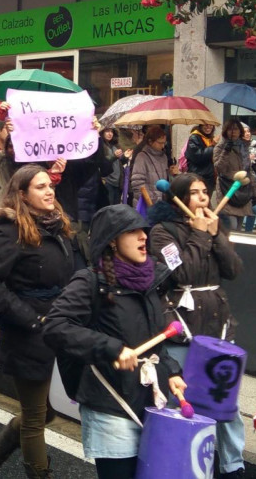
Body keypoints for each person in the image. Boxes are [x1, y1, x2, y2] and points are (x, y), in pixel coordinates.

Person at [43, 204, 186, 479]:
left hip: (147, 401)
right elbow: (55, 326)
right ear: (112, 239)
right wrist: (111, 348)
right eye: (133, 232)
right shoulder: (89, 282)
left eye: (143, 230)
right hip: (109, 401)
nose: (143, 237)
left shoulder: (150, 280)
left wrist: (172, 371)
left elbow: (154, 339)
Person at [0, 165, 82, 479]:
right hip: (28, 333)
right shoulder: (10, 230)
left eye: (50, 185)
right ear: (22, 194)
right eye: (40, 187)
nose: (49, 191)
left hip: (59, 329)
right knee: (36, 418)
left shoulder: (58, 225)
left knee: (46, 412)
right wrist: (31, 318)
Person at [149, 172, 245, 478]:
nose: (202, 197)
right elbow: (180, 274)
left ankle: (233, 467)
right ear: (178, 198)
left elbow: (233, 269)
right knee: (184, 400)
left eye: (205, 191)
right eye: (194, 192)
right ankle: (183, 465)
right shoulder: (162, 232)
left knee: (225, 403)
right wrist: (201, 235)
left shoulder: (214, 225)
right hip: (182, 325)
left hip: (216, 325)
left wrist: (217, 236)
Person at [212, 118, 256, 232]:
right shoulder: (220, 147)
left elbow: (248, 170)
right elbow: (219, 167)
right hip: (228, 189)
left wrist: (255, 191)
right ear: (226, 131)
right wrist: (226, 151)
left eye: (236, 129)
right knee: (231, 227)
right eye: (230, 129)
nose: (234, 132)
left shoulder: (244, 147)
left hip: (243, 191)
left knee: (238, 229)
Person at [129, 125, 172, 209]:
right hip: (147, 204)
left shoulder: (164, 157)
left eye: (164, 143)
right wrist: (151, 199)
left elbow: (165, 179)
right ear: (150, 141)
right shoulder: (141, 156)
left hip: (161, 203)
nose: (163, 146)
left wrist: (171, 173)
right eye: (160, 143)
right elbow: (137, 182)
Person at [184, 123, 217, 189]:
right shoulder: (194, 137)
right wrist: (212, 146)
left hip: (209, 177)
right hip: (198, 176)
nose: (208, 126)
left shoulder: (211, 138)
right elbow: (197, 156)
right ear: (200, 125)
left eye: (211, 124)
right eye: (205, 124)